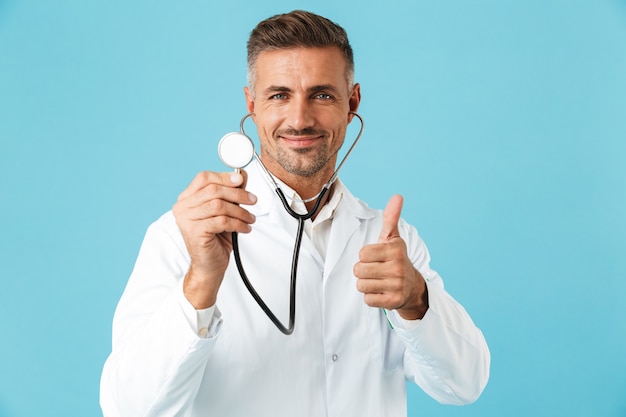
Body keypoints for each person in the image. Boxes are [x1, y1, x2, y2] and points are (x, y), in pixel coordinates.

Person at [100, 10, 490, 417]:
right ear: (252, 104)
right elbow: (127, 408)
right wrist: (200, 283)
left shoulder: (390, 241)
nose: (300, 119)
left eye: (321, 94)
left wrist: (416, 300)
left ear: (352, 102)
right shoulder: (183, 237)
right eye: (279, 95)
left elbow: (465, 384)